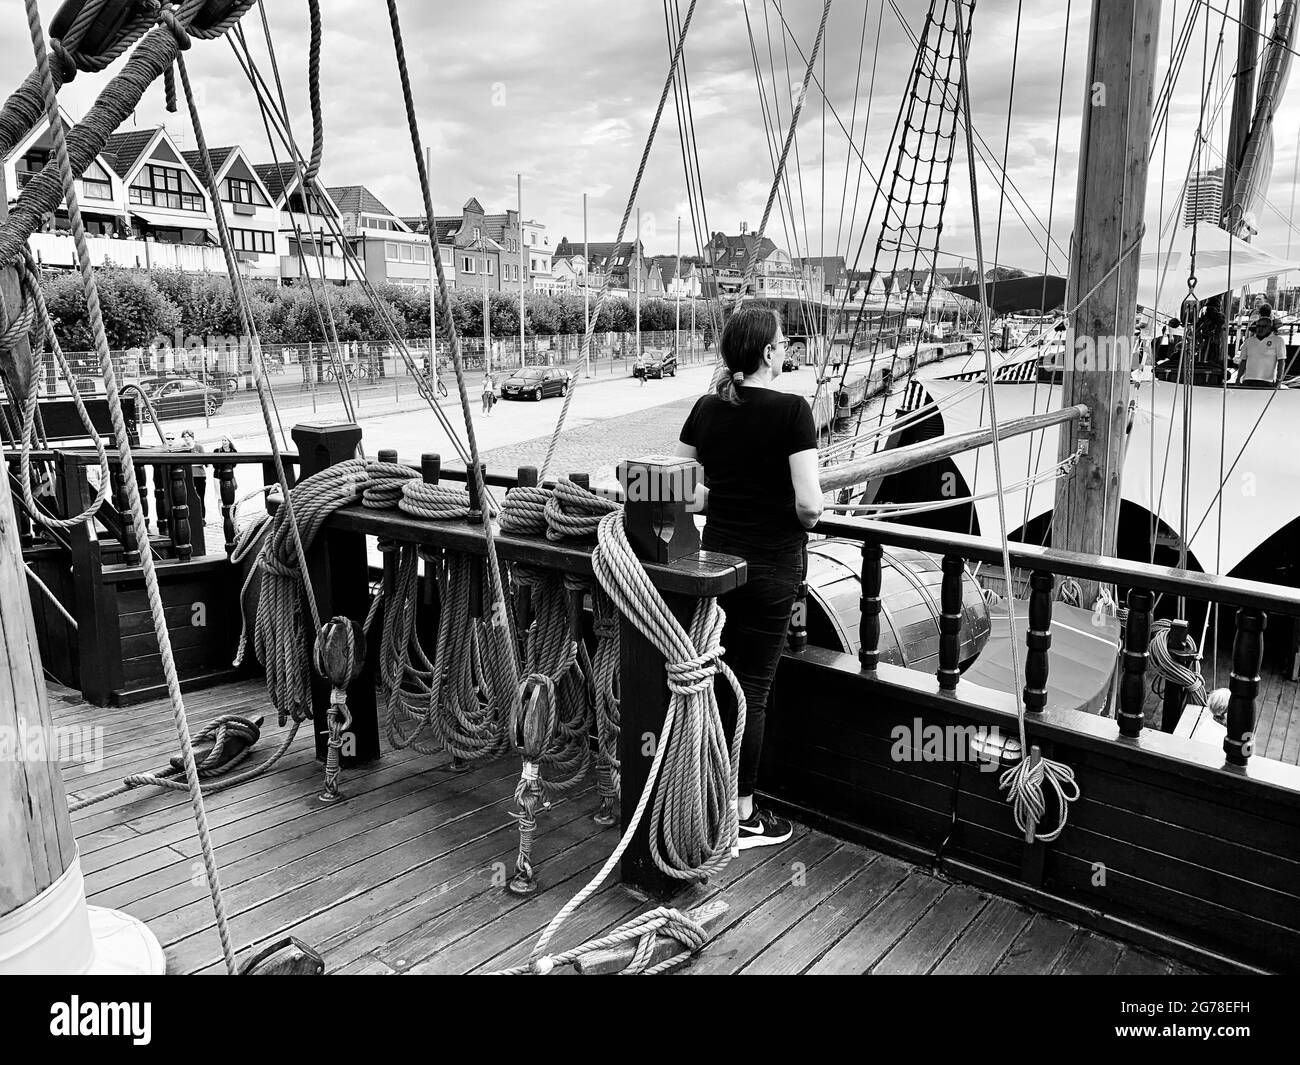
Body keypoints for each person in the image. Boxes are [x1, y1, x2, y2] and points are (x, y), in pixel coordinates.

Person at [677, 306, 823, 849]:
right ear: (767, 352)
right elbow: (809, 507)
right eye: (783, 343)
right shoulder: (793, 411)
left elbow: (686, 494)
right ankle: (741, 817)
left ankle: (700, 792)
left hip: (714, 567)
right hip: (770, 567)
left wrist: (732, 496)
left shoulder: (706, 409)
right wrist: (793, 503)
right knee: (752, 690)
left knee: (711, 679)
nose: (787, 350)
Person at [1236, 304, 1286, 386]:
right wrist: (1238, 378)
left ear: (1270, 328)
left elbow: (1281, 361)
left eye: (1264, 326)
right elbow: (1243, 362)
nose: (1260, 328)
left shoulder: (1278, 341)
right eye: (1258, 326)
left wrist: (1279, 380)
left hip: (1267, 381)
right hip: (1248, 380)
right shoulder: (1249, 341)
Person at [179, 429, 207, 520]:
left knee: (200, 496)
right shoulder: (182, 448)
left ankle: (202, 517)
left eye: (188, 437)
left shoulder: (199, 447)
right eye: (184, 437)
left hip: (199, 475)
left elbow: (204, 461)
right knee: (188, 497)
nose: (186, 439)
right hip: (187, 476)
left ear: (192, 437)